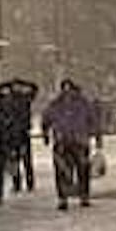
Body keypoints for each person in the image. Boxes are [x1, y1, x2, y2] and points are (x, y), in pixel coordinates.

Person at [42, 79, 99, 211]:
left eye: (70, 90)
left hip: (79, 141)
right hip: (62, 142)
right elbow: (46, 119)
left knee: (82, 170)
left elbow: (93, 120)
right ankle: (63, 197)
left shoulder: (83, 103)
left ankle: (83, 195)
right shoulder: (56, 104)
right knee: (62, 171)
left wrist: (96, 136)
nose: (68, 93)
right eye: (65, 90)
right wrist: (46, 134)